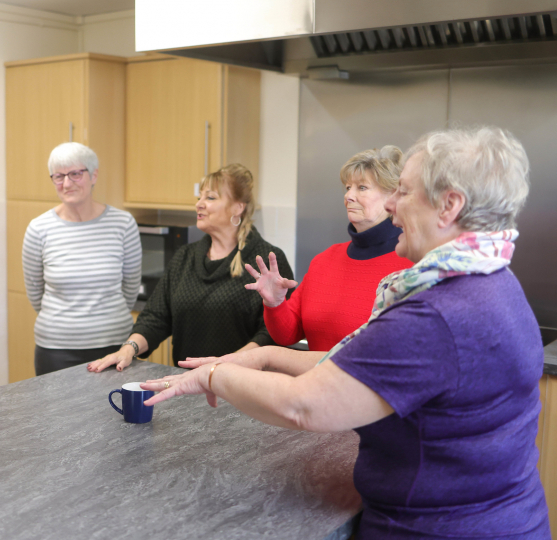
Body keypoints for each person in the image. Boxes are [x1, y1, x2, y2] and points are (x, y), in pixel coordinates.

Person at [142, 127, 550, 539]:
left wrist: (213, 376)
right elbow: (364, 368)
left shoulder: (435, 314)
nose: (391, 205)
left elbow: (303, 407)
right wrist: (264, 356)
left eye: (403, 192)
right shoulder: (489, 279)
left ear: (449, 206)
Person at [193, 148, 412, 376]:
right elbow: (287, 334)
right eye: (348, 188)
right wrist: (275, 303)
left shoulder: (412, 266)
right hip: (314, 399)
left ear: (392, 196)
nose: (348, 196)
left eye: (362, 188)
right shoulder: (325, 260)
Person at [88, 164, 294, 373]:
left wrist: (226, 365)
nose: (199, 205)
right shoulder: (184, 258)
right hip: (186, 381)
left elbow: (273, 332)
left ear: (237, 207)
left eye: (210, 198)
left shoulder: (267, 261)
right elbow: (155, 318)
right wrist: (128, 348)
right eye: (199, 198)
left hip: (243, 383)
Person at [22, 142, 142, 375]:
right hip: (55, 349)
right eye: (58, 176)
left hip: (115, 345)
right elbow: (35, 291)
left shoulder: (123, 224)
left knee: (115, 410)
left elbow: (130, 287)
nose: (66, 183)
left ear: (94, 175)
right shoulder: (38, 229)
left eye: (75, 174)